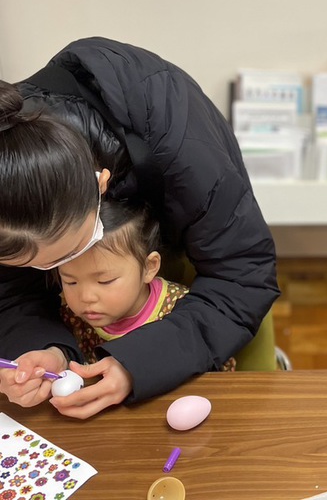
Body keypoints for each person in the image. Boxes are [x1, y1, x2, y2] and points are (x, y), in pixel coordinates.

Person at [0, 36, 278, 418]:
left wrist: (138, 364)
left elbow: (242, 275)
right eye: (45, 269)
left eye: (71, 252)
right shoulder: (10, 167)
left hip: (208, 250)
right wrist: (43, 349)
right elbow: (12, 296)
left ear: (102, 184)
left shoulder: (182, 141)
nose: (59, 278)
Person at [56, 200, 236, 372]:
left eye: (105, 281)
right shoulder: (69, 315)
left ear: (149, 267)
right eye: (71, 281)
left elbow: (219, 364)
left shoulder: (183, 309)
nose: (86, 297)